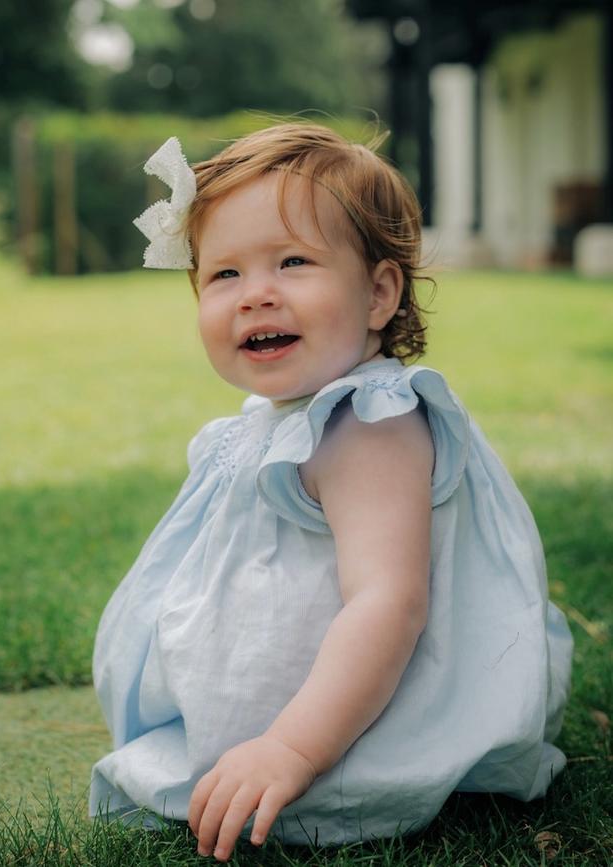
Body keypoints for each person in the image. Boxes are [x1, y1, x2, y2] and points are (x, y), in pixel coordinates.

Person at [90, 123, 573, 862]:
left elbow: (390, 601)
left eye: (292, 261)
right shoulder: (275, 420)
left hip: (343, 726)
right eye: (224, 275)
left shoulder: (370, 423)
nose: (256, 295)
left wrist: (288, 746)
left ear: (379, 292)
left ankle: (303, 762)